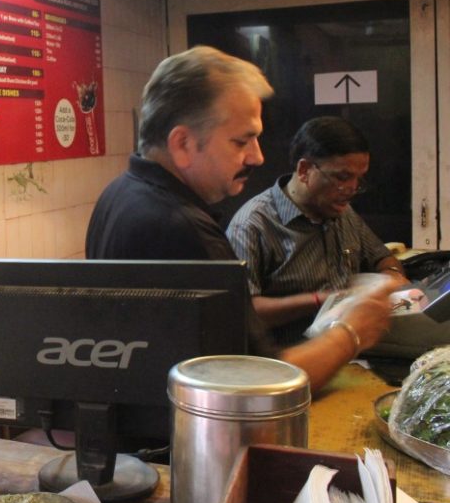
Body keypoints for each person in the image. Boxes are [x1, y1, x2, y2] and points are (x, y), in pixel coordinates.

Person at [85, 46, 394, 392]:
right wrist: (352, 332)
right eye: (241, 141)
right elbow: (263, 385)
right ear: (183, 143)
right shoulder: (181, 228)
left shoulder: (119, 192)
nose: (258, 157)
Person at [227, 116, 409, 345]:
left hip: (350, 353)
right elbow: (243, 312)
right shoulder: (252, 225)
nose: (352, 189)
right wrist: (320, 300)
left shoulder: (343, 213)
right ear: (304, 169)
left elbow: (381, 256)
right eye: (342, 177)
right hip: (288, 365)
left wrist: (392, 277)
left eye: (358, 179)